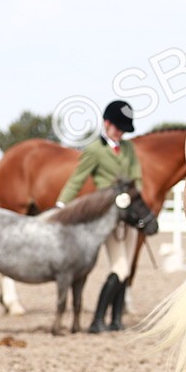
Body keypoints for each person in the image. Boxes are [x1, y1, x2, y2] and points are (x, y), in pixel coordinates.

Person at [57, 99, 144, 334]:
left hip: (130, 217)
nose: (121, 133)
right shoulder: (94, 151)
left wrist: (139, 205)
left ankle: (115, 320)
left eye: (124, 129)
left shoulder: (128, 149)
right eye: (118, 127)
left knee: (126, 268)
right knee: (120, 267)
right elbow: (78, 178)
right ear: (106, 123)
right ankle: (97, 320)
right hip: (109, 217)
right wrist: (61, 204)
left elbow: (138, 178)